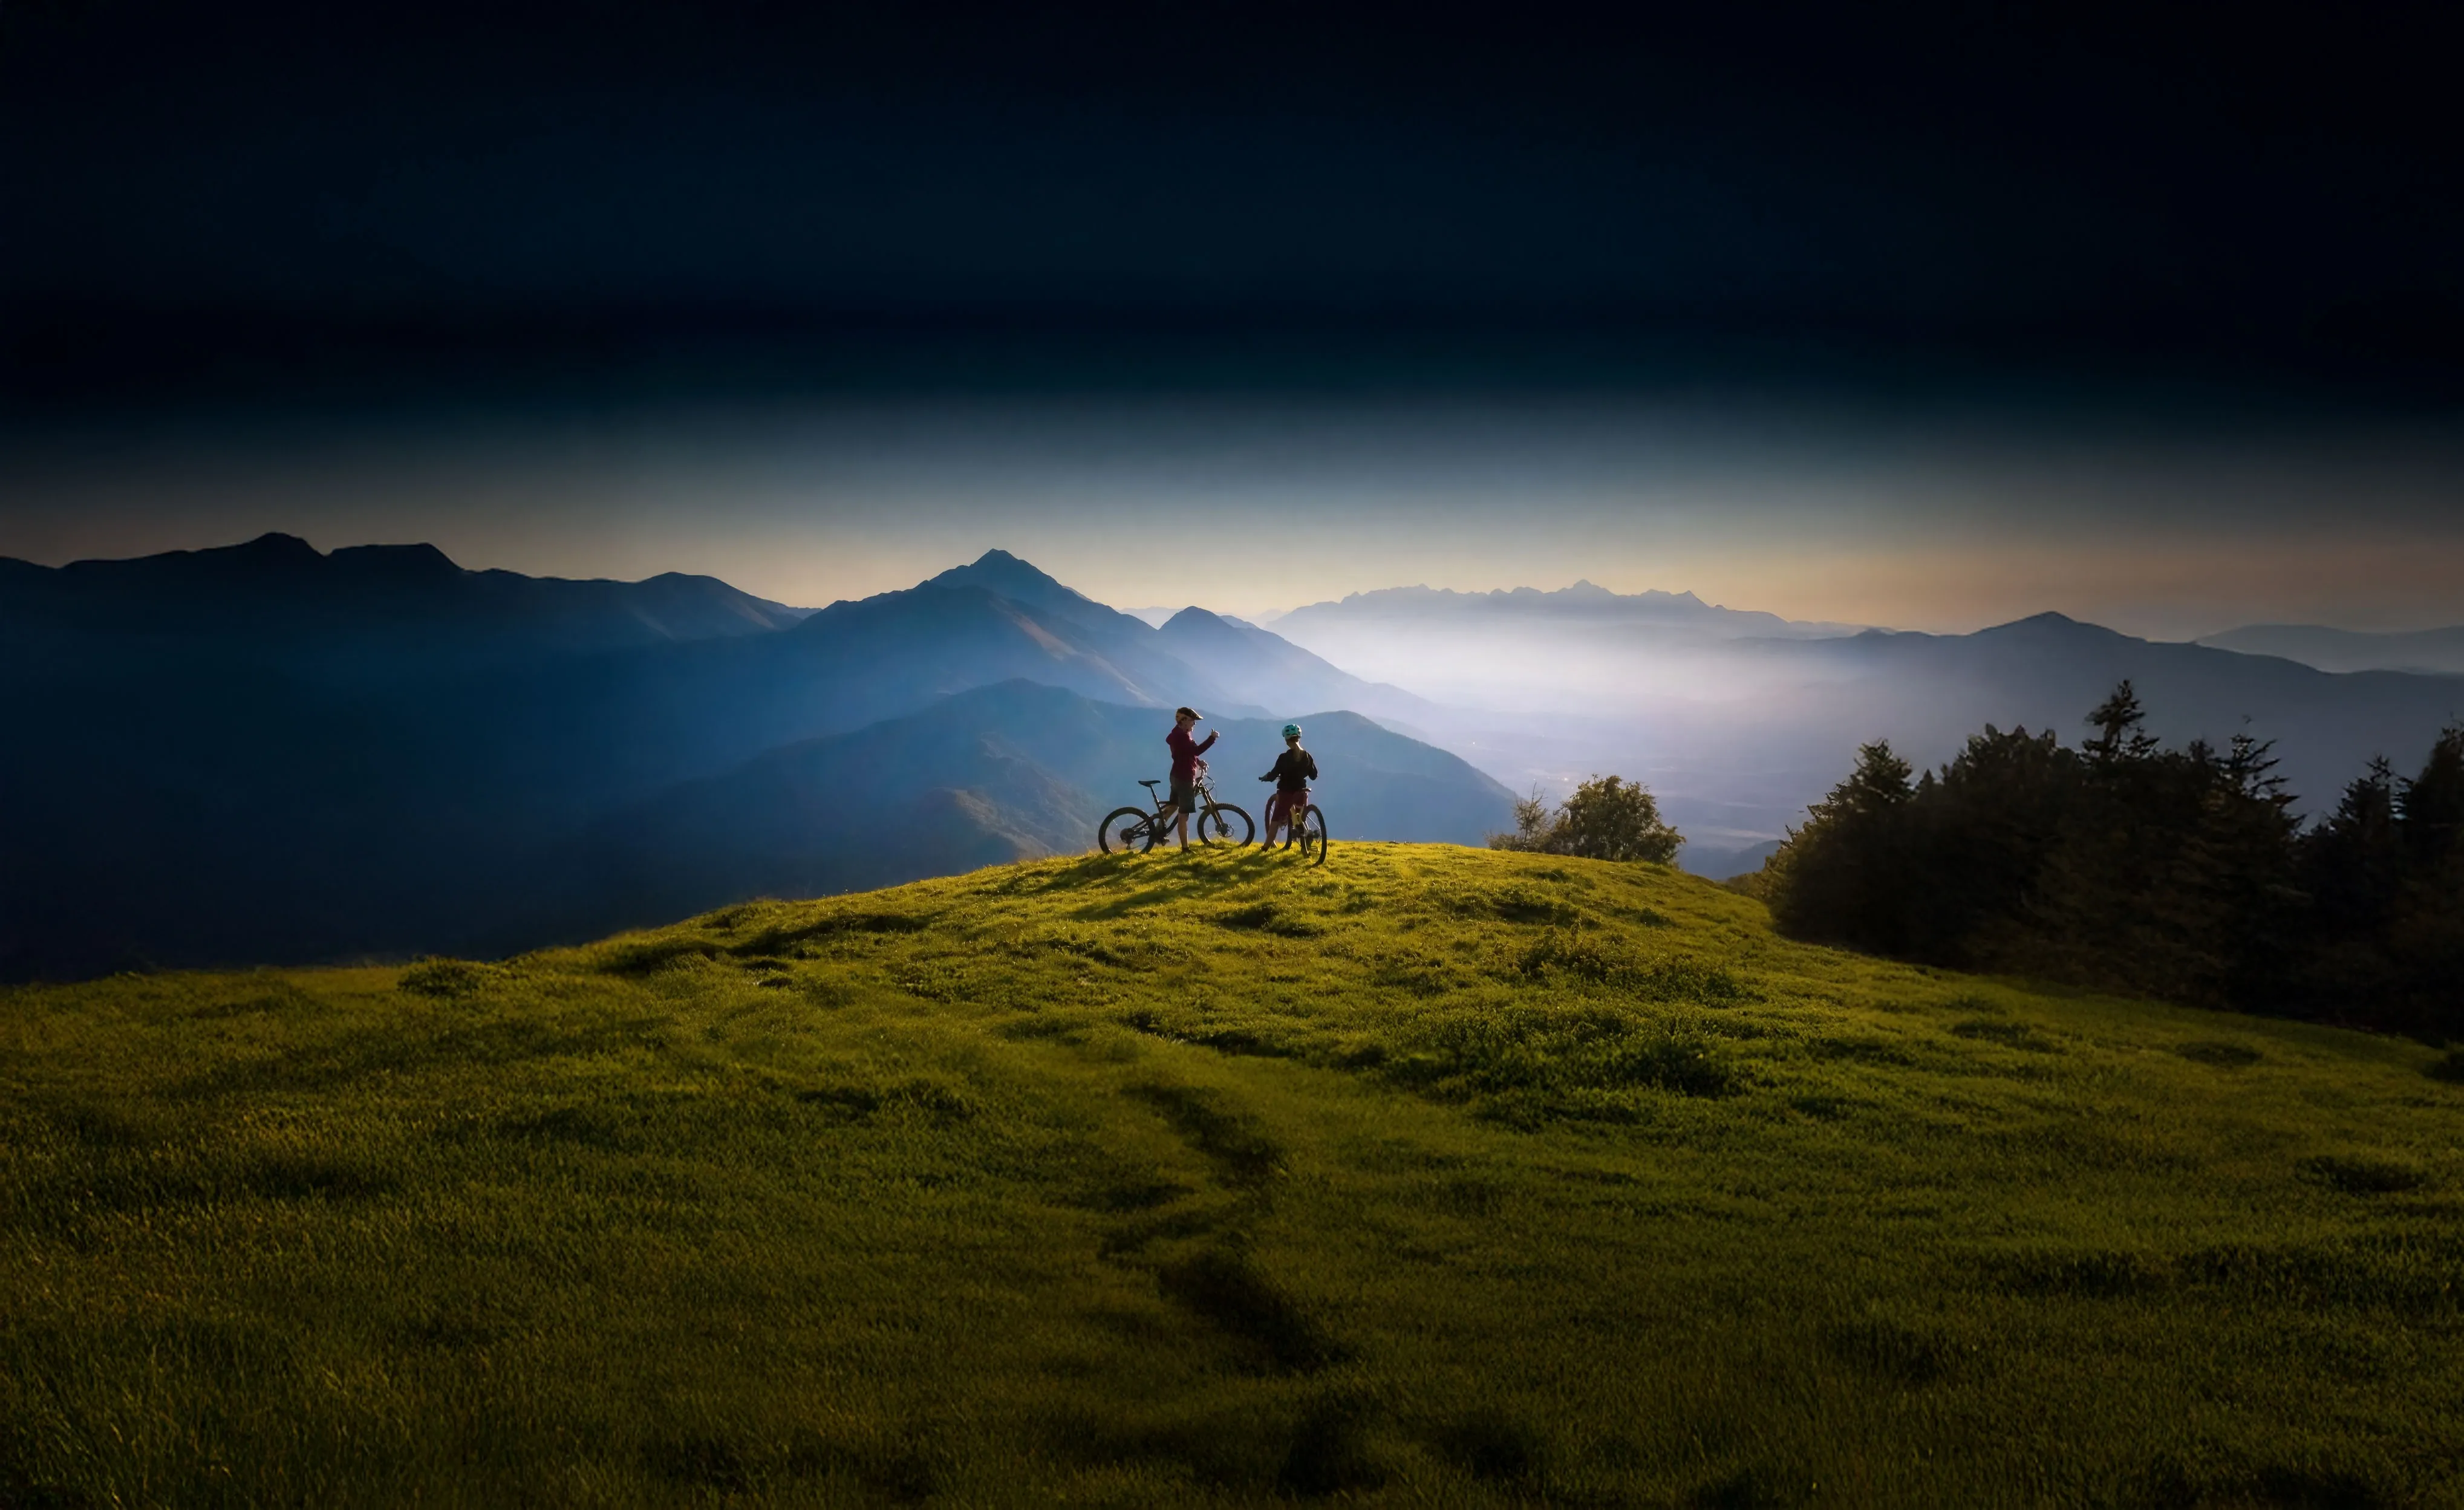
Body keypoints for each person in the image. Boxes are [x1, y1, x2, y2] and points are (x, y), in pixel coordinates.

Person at [1161, 706, 1217, 850]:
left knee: (1173, 805)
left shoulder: (1179, 734)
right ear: (1184, 721)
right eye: (1193, 720)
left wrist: (1198, 761)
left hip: (1176, 775)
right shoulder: (1183, 736)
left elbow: (1188, 753)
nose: (1194, 724)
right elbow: (1196, 750)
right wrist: (1212, 739)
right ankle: (1185, 849)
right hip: (1185, 778)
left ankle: (1157, 832)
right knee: (1183, 815)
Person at [1257, 723, 1318, 848]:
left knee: (1275, 820)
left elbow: (1273, 775)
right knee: (1300, 818)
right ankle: (1306, 842)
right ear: (1299, 737)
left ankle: (1265, 847)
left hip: (1286, 793)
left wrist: (1266, 778)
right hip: (1302, 792)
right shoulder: (1308, 756)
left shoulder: (1284, 757)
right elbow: (1313, 776)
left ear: (1286, 740)